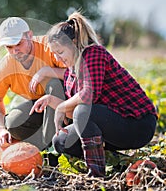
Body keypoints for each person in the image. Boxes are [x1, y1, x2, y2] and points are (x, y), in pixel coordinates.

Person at [30, 12, 157, 177]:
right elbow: (73, 112)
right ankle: (114, 161)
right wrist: (52, 100)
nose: (57, 58)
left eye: (60, 52)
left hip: (138, 123)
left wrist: (62, 106)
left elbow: (89, 95)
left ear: (74, 42)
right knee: (61, 141)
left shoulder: (93, 53)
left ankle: (96, 174)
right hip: (113, 123)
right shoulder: (72, 71)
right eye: (54, 53)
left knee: (83, 112)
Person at [0, 17, 66, 151]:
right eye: (9, 47)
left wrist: (47, 71)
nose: (14, 51)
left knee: (54, 84)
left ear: (29, 35)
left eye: (18, 44)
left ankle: (53, 150)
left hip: (67, 103)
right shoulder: (3, 68)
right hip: (40, 107)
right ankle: (42, 146)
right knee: (12, 124)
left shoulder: (50, 46)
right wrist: (1, 129)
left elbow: (77, 75)